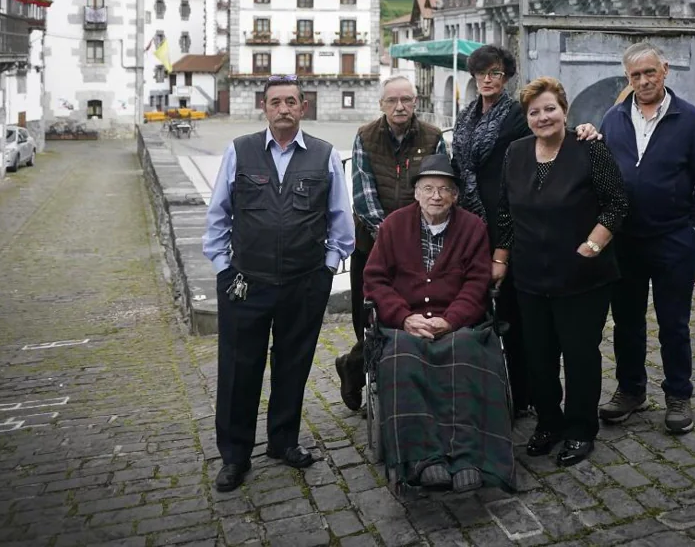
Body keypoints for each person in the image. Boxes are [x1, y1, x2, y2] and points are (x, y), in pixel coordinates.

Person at [202, 76, 356, 492]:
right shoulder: (240, 150)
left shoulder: (323, 155)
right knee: (239, 369)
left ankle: (283, 442)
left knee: (293, 364)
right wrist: (221, 266)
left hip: (304, 283)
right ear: (264, 108)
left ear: (303, 108)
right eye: (275, 102)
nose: (283, 108)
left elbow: (341, 219)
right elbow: (218, 214)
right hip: (245, 282)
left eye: (291, 101)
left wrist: (327, 266)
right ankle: (235, 457)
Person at [451, 44, 599, 418]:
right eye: (482, 72)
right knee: (477, 311)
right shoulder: (466, 115)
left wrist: (585, 129)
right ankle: (482, 388)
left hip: (511, 221)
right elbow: (458, 165)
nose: (488, 78)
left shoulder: (518, 114)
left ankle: (522, 395)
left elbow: (552, 132)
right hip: (471, 222)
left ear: (507, 76)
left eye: (496, 72)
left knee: (516, 318)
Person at [493, 77, 628, 466]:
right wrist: (500, 260)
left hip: (583, 276)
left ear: (565, 111)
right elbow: (504, 210)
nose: (542, 117)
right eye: (534, 112)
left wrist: (593, 245)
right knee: (539, 356)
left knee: (580, 355)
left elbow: (616, 204)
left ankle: (581, 429)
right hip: (531, 276)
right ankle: (548, 424)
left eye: (550, 108)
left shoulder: (588, 148)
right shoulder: (515, 153)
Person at [362, 154, 514, 492]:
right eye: (428, 188)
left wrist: (451, 320)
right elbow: (375, 280)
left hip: (458, 322)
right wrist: (404, 317)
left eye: (445, 189)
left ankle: (467, 457)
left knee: (465, 351)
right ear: (415, 192)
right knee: (401, 356)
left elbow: (477, 283)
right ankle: (422, 458)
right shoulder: (393, 226)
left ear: (456, 195)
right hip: (405, 323)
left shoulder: (473, 227)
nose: (436, 196)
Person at [598, 42, 695, 435]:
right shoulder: (614, 118)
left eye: (650, 72)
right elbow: (601, 174)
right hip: (626, 241)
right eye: (636, 75)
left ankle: (678, 395)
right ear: (627, 78)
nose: (644, 80)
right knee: (627, 322)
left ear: (664, 70)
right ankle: (631, 391)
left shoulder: (688, 118)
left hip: (674, 240)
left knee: (674, 323)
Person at [336, 76, 446, 413]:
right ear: (381, 104)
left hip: (420, 248)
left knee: (413, 314)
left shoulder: (433, 137)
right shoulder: (365, 136)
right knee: (369, 319)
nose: (400, 107)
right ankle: (363, 372)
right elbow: (364, 193)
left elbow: (437, 187)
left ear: (416, 102)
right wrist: (394, 238)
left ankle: (363, 370)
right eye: (392, 100)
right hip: (372, 247)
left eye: (406, 100)